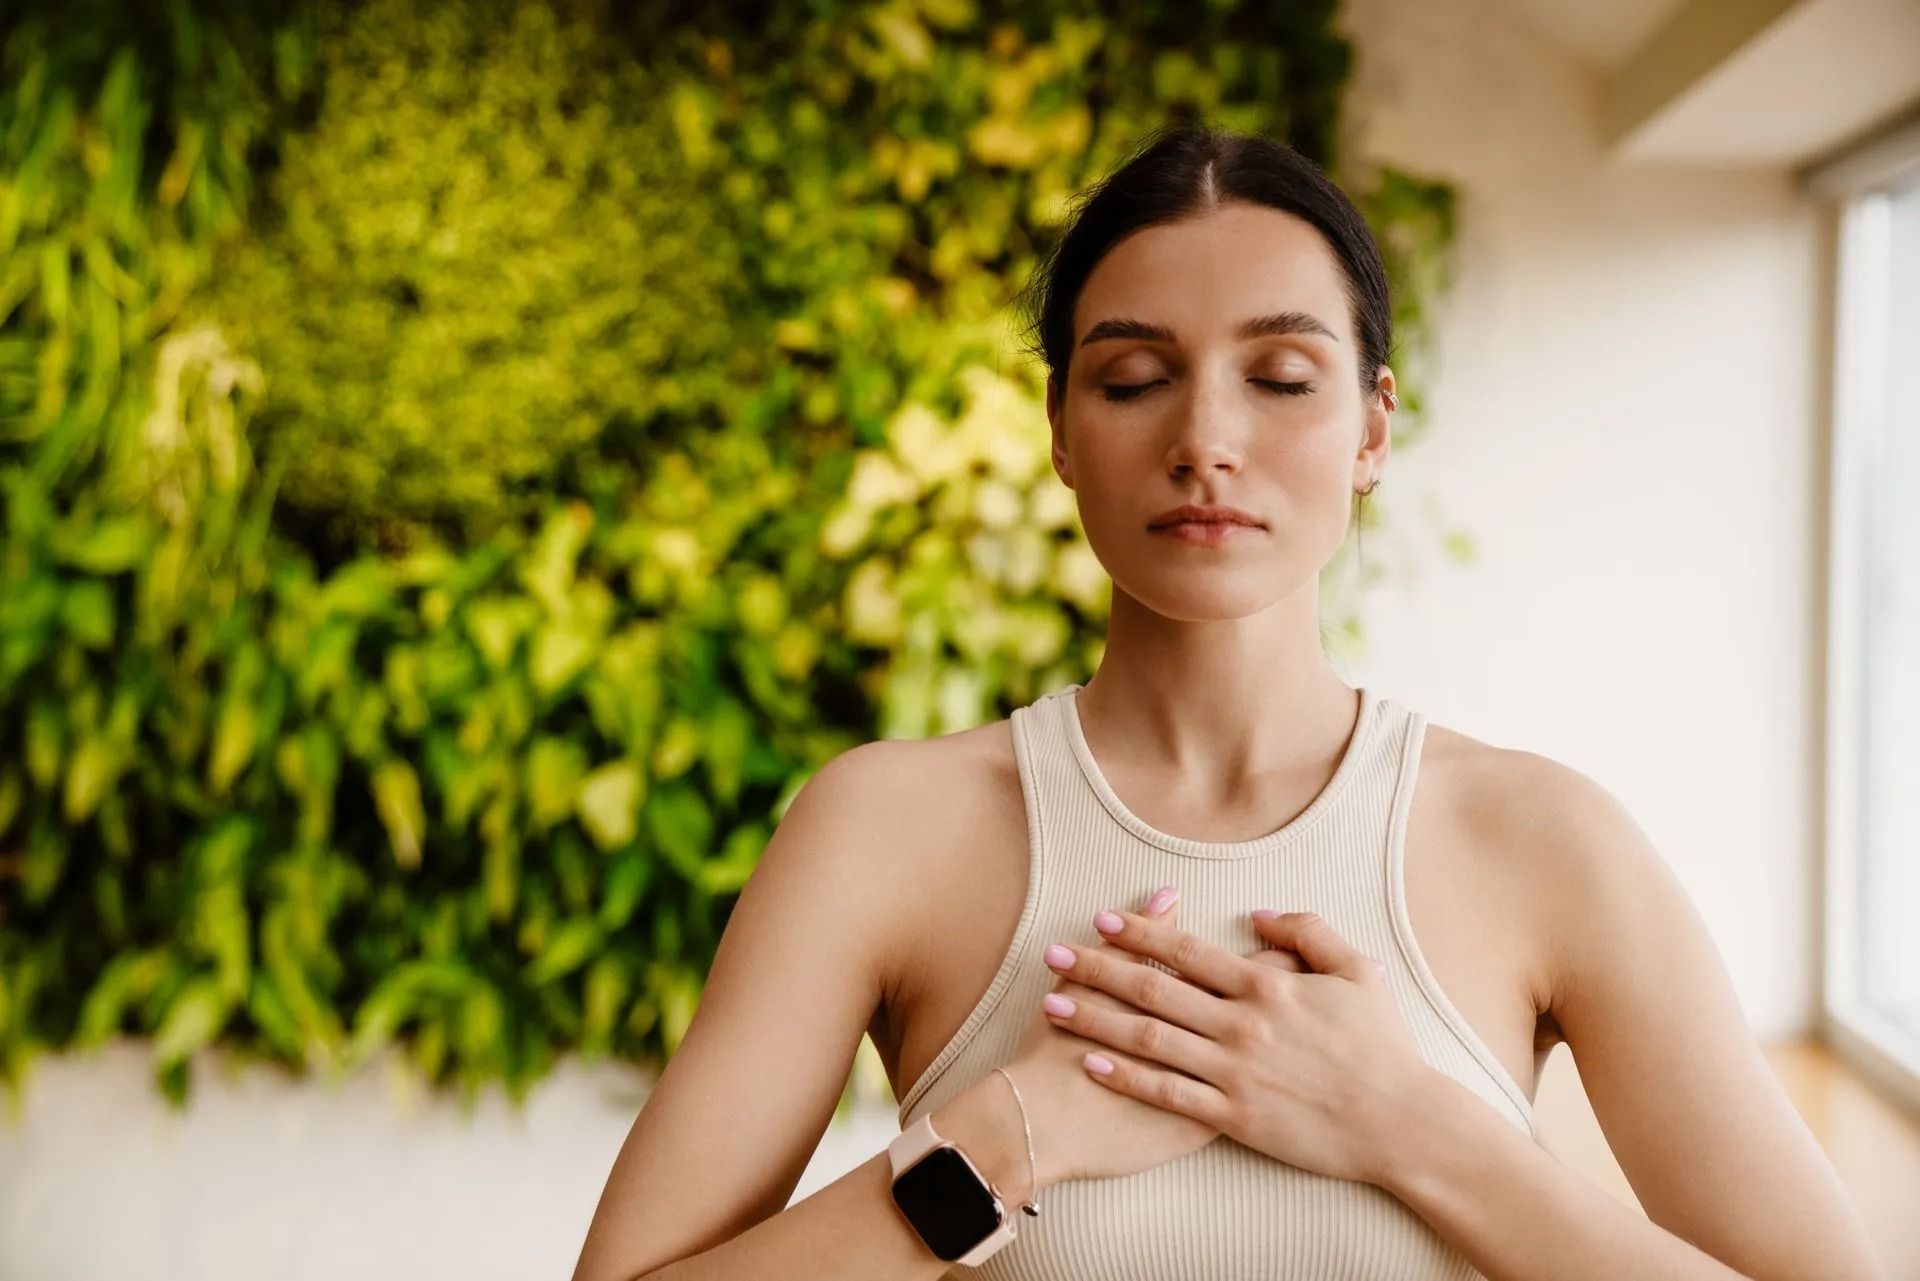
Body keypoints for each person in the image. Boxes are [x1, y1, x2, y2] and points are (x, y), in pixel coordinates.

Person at [572, 122, 1885, 1281]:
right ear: (1060, 429)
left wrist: (1412, 1127)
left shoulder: (1543, 840)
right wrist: (1001, 1141)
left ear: (1372, 430)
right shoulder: (883, 829)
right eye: (1134, 378)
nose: (1205, 436)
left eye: (1280, 376)